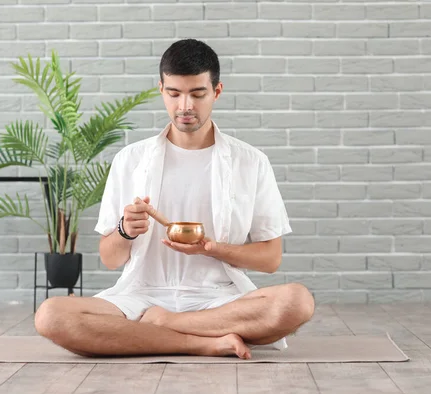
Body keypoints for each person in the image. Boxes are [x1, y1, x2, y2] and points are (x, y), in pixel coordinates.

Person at [35, 38, 314, 360]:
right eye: (174, 94)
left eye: (197, 94)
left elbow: (270, 259)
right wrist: (125, 230)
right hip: (141, 295)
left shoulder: (250, 161)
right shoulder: (131, 159)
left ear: (216, 92)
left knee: (298, 301)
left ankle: (171, 325)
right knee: (51, 315)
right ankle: (202, 343)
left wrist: (212, 248)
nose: (185, 106)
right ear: (161, 90)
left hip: (219, 300)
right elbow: (111, 260)